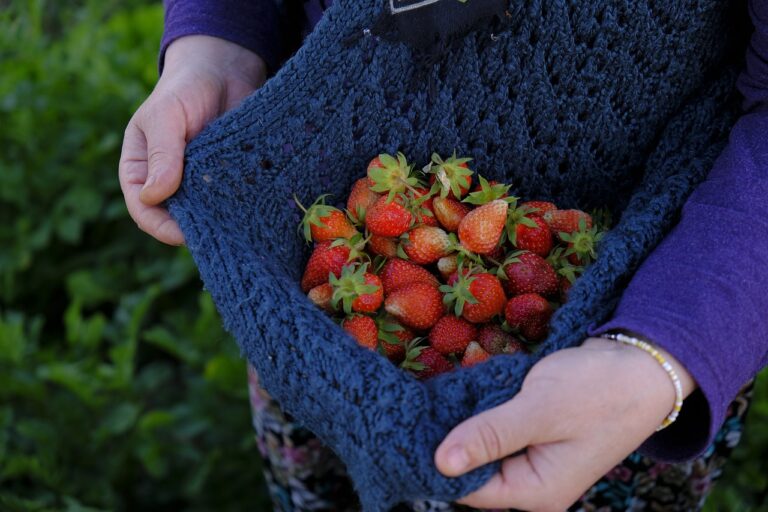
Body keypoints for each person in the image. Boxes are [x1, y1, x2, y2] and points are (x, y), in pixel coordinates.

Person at [119, 0, 768, 510]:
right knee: (330, 459)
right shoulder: (352, 287)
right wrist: (219, 44)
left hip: (638, 322)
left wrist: (662, 354)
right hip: (322, 251)